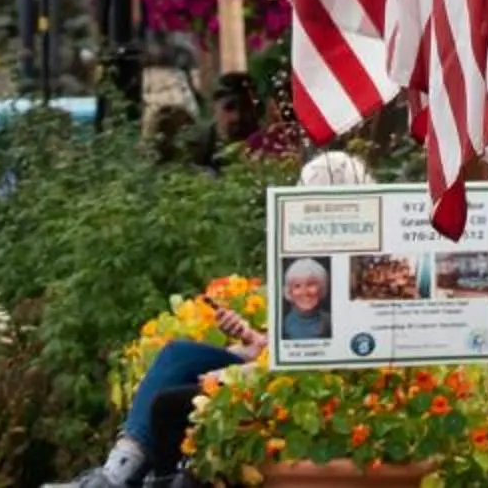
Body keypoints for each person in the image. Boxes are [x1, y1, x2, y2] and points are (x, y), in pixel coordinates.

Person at [72, 150, 375, 488]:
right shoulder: (308, 258)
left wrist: (234, 373)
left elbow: (323, 360)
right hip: (279, 366)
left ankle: (157, 479)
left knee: (170, 405)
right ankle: (118, 471)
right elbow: (293, 344)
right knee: (178, 355)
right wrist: (251, 338)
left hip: (311, 384)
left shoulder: (357, 270)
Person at [273, 257, 334, 342]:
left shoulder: (331, 322)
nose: (305, 292)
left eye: (310, 284)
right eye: (297, 286)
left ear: (322, 287)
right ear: (289, 291)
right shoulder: (281, 325)